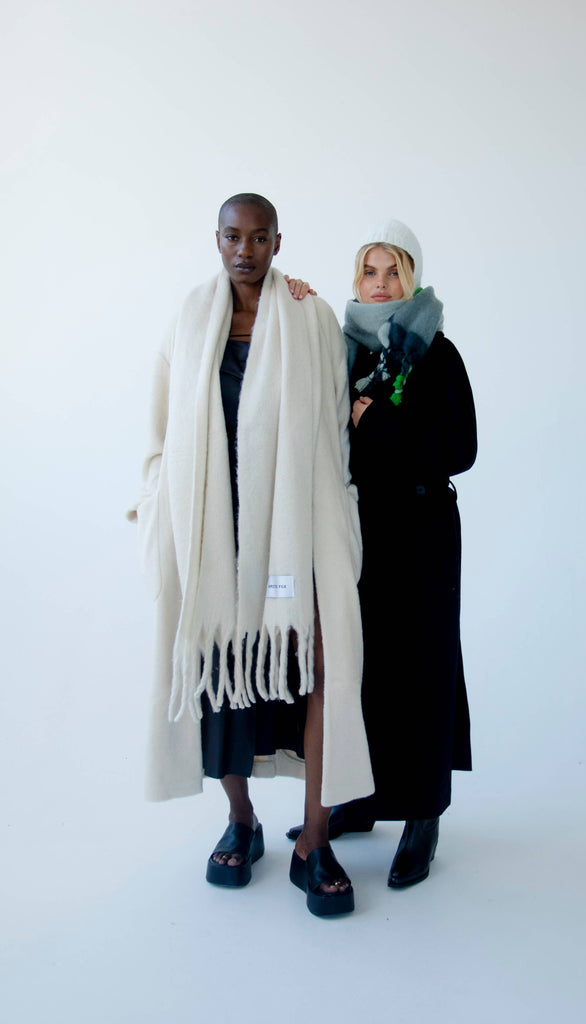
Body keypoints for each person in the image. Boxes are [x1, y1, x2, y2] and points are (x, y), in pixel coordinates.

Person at [127, 193, 373, 917]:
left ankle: (314, 840)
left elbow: (334, 433)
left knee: (318, 666)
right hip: (212, 528)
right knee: (221, 671)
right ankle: (240, 820)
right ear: (217, 239)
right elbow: (160, 427)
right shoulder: (188, 318)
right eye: (233, 236)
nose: (245, 250)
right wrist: (157, 503)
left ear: (276, 243)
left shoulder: (310, 316)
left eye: (259, 238)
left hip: (295, 521)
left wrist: (335, 518)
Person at [287, 219, 477, 888]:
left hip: (421, 532)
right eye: (369, 271)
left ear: (412, 277)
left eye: (393, 270)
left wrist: (380, 421)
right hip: (358, 529)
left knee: (422, 668)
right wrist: (292, 297)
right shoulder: (341, 347)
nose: (380, 283)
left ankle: (424, 815)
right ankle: (361, 799)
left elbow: (460, 450)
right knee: (361, 667)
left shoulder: (436, 352)